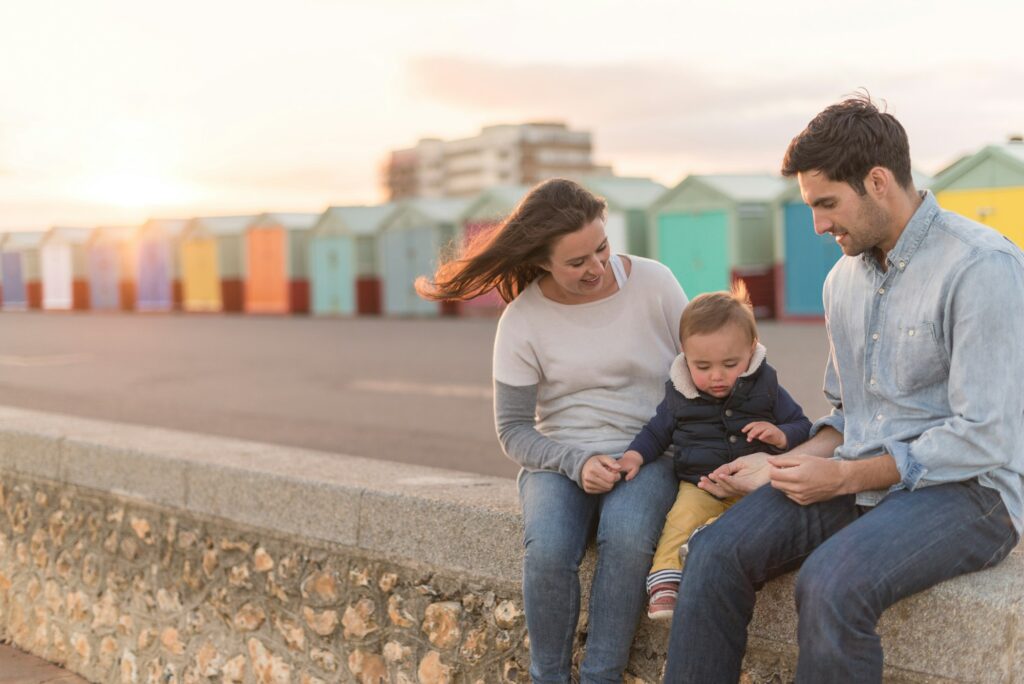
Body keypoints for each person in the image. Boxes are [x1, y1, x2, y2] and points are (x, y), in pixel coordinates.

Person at [663, 96, 1024, 683]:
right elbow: (848, 413)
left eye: (827, 204)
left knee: (830, 583)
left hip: (972, 493)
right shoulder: (841, 280)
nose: (819, 225)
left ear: (878, 182)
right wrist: (784, 467)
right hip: (861, 477)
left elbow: (987, 435)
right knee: (713, 552)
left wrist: (846, 477)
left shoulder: (981, 267)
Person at [417, 178, 687, 683]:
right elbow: (514, 429)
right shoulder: (522, 320)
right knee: (548, 550)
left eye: (602, 248)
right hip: (557, 459)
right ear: (542, 261)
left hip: (648, 453)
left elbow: (697, 374)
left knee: (627, 538)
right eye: (577, 261)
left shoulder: (656, 283)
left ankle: (601, 677)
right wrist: (575, 462)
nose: (597, 267)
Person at [617, 283, 810, 621]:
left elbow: (803, 426)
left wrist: (780, 436)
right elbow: (656, 432)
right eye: (702, 366)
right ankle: (664, 580)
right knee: (679, 520)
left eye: (729, 364)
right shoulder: (681, 394)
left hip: (753, 486)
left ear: (751, 349)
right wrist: (634, 455)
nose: (716, 377)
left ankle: (708, 546)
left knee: (750, 524)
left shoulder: (766, 388)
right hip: (700, 482)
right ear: (685, 354)